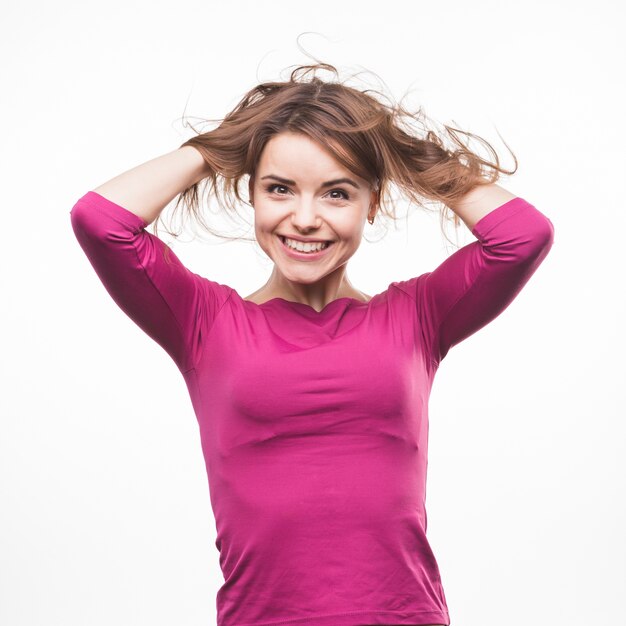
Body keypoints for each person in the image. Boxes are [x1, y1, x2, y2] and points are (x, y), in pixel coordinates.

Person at [69, 62, 555, 626]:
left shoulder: (417, 316)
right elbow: (100, 220)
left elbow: (522, 238)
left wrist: (400, 152)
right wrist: (229, 145)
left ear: (372, 204)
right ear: (249, 193)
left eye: (337, 193)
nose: (305, 219)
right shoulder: (202, 321)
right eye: (279, 189)